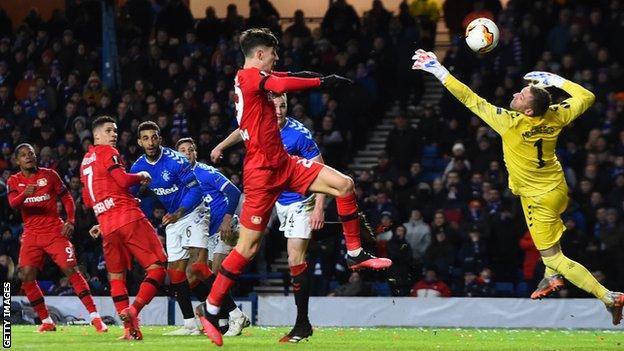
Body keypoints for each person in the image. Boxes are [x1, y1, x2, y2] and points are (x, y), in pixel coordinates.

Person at [197, 28, 391, 346]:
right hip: (261, 174)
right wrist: (322, 83)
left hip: (284, 164)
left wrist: (326, 75)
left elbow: (288, 75)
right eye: (273, 54)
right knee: (247, 248)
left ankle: (355, 253)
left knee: (344, 185)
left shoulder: (253, 77)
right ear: (260, 54)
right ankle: (212, 308)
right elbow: (281, 83)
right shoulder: (249, 77)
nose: (276, 59)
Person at [411, 49, 624, 324]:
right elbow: (587, 97)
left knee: (555, 256)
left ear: (528, 110)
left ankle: (608, 297)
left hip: (539, 198)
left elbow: (469, 98)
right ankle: (550, 278)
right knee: (545, 244)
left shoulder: (510, 123)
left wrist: (437, 69)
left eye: (522, 95)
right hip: (554, 188)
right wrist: (556, 80)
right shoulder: (556, 115)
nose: (516, 94)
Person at [210, 93, 325, 343]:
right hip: (269, 196)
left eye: (283, 105)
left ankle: (302, 323)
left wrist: (319, 206)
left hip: (296, 200)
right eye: (275, 106)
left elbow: (319, 168)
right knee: (242, 244)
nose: (280, 110)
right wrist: (221, 146)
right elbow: (242, 131)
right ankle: (224, 308)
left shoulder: (299, 133)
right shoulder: (260, 123)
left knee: (295, 258)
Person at [80, 116, 167, 340]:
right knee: (158, 267)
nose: (114, 135)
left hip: (107, 225)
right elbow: (121, 180)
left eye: (115, 131)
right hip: (128, 218)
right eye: (109, 131)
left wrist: (102, 220)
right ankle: (133, 311)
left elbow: (88, 200)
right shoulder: (108, 152)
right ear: (97, 135)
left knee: (116, 277)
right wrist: (141, 176)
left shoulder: (85, 162)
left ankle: (130, 330)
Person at [7, 143, 107, 333]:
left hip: (55, 232)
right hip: (31, 235)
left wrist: (70, 220)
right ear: (17, 160)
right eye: (23, 155)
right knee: (26, 277)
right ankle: (46, 320)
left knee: (71, 271)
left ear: (36, 156)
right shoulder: (14, 181)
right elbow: (13, 204)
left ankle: (96, 317)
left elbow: (67, 197)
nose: (28, 156)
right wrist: (23, 194)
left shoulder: (49, 175)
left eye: (31, 153)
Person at [131, 121, 213, 335]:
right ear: (139, 142)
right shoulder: (138, 168)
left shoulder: (175, 160)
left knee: (197, 268)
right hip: (173, 219)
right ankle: (189, 324)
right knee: (175, 273)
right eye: (145, 138)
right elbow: (128, 194)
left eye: (154, 137)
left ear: (160, 138)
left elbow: (196, 191)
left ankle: (231, 314)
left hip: (192, 211)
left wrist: (178, 213)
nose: (150, 142)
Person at [175, 137, 250, 336]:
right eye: (182, 150)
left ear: (195, 153)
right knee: (192, 276)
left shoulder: (206, 172)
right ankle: (221, 320)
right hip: (205, 235)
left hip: (225, 229)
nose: (187, 153)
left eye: (191, 150)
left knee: (216, 276)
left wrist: (226, 220)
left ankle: (234, 317)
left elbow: (234, 193)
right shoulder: (180, 180)